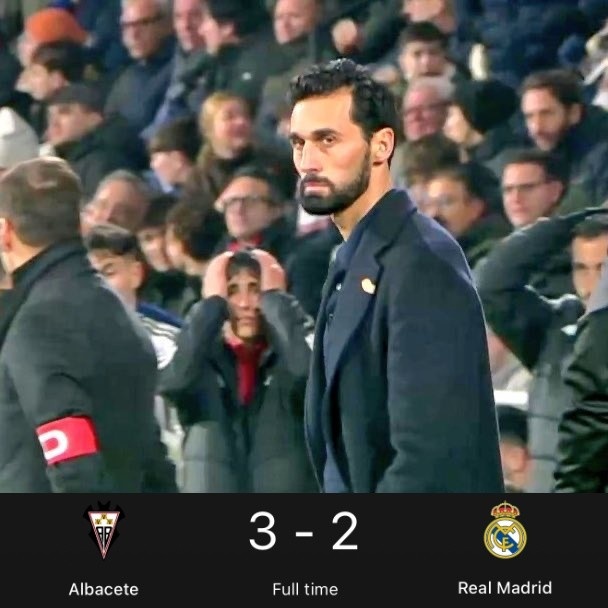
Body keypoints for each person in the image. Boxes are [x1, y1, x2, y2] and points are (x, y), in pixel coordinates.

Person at [287, 58, 504, 493]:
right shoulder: (351, 259)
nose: (308, 160)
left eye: (327, 140)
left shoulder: (422, 263)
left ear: (381, 145)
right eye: (299, 143)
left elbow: (430, 458)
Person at [0, 157, 174, 492]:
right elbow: (150, 452)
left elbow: (74, 464)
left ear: (5, 232)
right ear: (79, 224)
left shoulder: (39, 323)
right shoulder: (117, 309)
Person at [159, 249, 317, 493]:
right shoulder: (198, 356)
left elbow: (309, 378)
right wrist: (210, 307)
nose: (245, 303)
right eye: (232, 290)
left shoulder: (292, 354)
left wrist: (276, 301)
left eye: (256, 289)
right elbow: (174, 383)